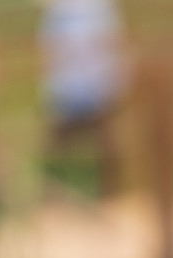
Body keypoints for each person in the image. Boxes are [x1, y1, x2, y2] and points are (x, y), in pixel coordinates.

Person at [39, 0, 127, 197]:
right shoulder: (60, 8)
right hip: (68, 87)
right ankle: (53, 196)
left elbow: (111, 42)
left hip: (97, 85)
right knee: (59, 145)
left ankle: (110, 195)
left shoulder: (100, 6)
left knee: (106, 144)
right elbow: (50, 45)